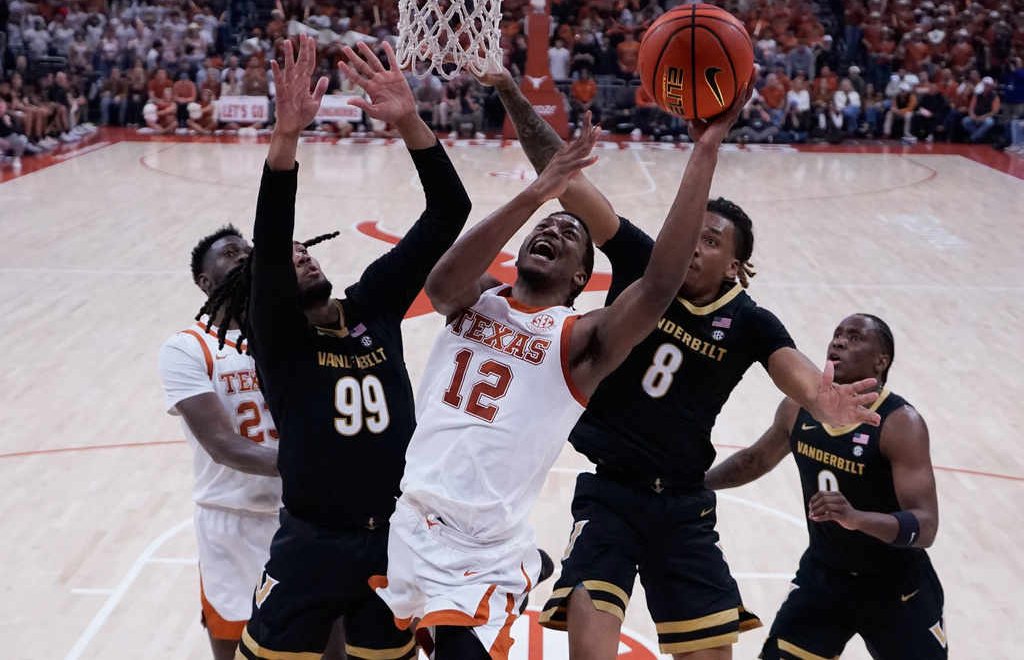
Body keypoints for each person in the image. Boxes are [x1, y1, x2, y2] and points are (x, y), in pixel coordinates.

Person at [477, 62, 881, 660]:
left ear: (737, 267)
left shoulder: (751, 321)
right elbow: (562, 178)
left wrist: (825, 401)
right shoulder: (645, 259)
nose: (695, 244)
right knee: (589, 641)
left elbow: (795, 370)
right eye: (695, 230)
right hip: (611, 492)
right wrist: (510, 91)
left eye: (712, 241)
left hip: (682, 505)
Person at [372, 70, 757, 660]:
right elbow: (441, 283)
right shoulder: (479, 297)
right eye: (544, 227)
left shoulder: (579, 341)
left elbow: (659, 284)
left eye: (571, 234)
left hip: (479, 549)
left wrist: (705, 149)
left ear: (582, 277)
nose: (553, 228)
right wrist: (534, 194)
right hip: (410, 521)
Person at [216, 35, 471, 660]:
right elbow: (271, 240)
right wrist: (286, 138)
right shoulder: (281, 339)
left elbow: (449, 210)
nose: (298, 253)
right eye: (285, 259)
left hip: (393, 540)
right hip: (311, 543)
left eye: (307, 249)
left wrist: (410, 121)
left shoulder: (374, 303)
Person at [705, 314, 946, 660]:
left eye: (855, 337)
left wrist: (857, 518)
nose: (839, 341)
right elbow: (754, 460)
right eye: (837, 334)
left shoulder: (900, 423)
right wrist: (695, 484)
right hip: (824, 578)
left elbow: (925, 527)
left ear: (882, 361)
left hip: (895, 586)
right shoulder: (798, 407)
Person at [158, 226, 281, 660]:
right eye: (231, 254)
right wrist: (313, 461)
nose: (246, 258)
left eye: (250, 251)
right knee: (234, 650)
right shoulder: (188, 348)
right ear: (205, 282)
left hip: (300, 519)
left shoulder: (286, 333)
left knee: (320, 645)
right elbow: (221, 444)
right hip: (231, 523)